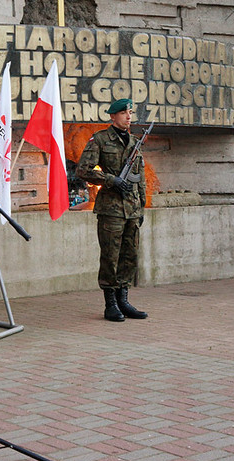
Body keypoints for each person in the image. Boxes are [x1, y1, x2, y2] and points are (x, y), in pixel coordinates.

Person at [76, 98, 148, 321]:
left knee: (130, 256)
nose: (129, 116)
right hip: (111, 209)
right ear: (113, 116)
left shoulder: (135, 142)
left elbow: (140, 178)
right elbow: (83, 170)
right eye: (124, 113)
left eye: (130, 112)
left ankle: (123, 300)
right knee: (110, 256)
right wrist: (110, 179)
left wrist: (142, 204)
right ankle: (110, 304)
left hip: (132, 208)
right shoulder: (100, 140)